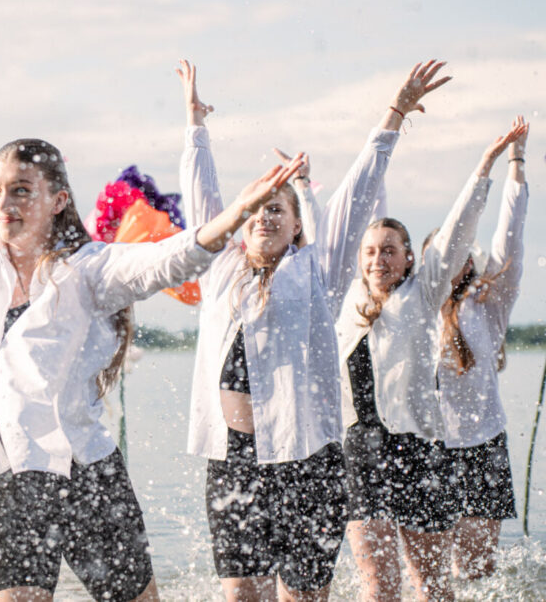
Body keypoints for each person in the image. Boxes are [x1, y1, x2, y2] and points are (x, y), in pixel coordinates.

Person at [0, 138, 304, 602]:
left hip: (87, 476)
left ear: (59, 200)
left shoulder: (90, 270)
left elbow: (169, 259)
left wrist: (237, 213)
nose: (5, 204)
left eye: (22, 190)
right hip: (4, 478)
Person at [177, 59, 450, 602]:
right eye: (255, 209)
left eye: (276, 208)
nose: (264, 216)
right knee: (240, 594)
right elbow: (200, 198)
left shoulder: (318, 270)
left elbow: (358, 190)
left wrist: (394, 115)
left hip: (308, 461)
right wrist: (195, 126)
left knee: (302, 597)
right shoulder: (218, 267)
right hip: (233, 461)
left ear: (297, 221)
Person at [335, 119, 529, 602]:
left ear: (410, 261)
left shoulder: (438, 299)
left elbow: (471, 232)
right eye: (370, 252)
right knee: (379, 587)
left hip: (436, 449)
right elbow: (357, 213)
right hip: (366, 451)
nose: (378, 259)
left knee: (448, 582)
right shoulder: (351, 302)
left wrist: (492, 166)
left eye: (390, 251)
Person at [434, 116, 529, 580]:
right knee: (429, 575)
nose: (457, 256)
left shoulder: (488, 303)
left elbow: (510, 239)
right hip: (427, 448)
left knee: (476, 571)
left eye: (463, 252)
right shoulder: (416, 306)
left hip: (483, 445)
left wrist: (515, 163)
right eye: (445, 251)